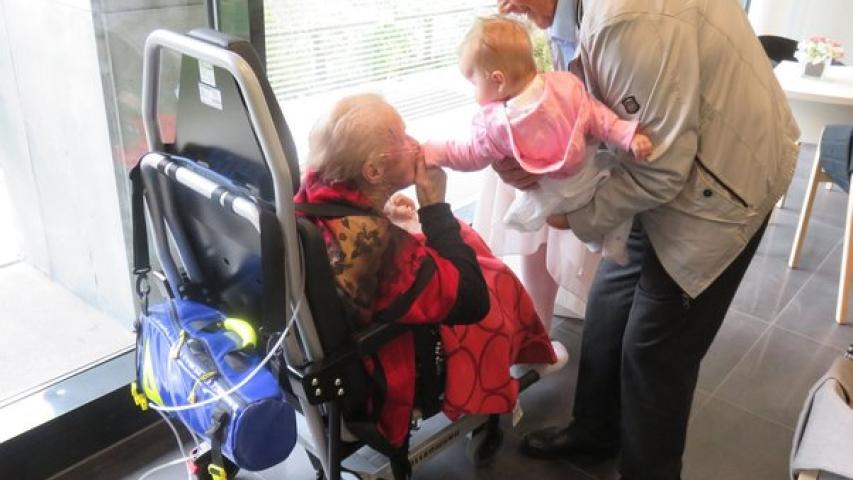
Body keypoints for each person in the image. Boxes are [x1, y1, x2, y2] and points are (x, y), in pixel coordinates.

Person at [495, 1, 800, 479]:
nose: (505, 5)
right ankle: (596, 431)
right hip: (672, 161)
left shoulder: (628, 18)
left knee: (654, 348)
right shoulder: (576, 14)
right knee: (609, 302)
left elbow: (662, 169)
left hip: (724, 181)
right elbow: (606, 111)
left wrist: (575, 216)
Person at [294, 93, 561, 452]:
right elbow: (470, 300)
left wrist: (380, 207)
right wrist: (435, 207)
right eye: (403, 137)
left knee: (472, 252)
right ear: (373, 171)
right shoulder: (375, 244)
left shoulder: (313, 186)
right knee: (489, 277)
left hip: (322, 352)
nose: (415, 143)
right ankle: (503, 367)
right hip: (379, 375)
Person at [423, 16, 653, 264]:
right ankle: (611, 244)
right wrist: (628, 136)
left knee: (522, 209)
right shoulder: (565, 87)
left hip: (551, 198)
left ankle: (591, 241)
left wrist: (434, 152)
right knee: (613, 180)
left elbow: (468, 155)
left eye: (474, 82)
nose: (474, 92)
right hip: (589, 180)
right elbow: (600, 118)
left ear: (498, 80)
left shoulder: (497, 125)